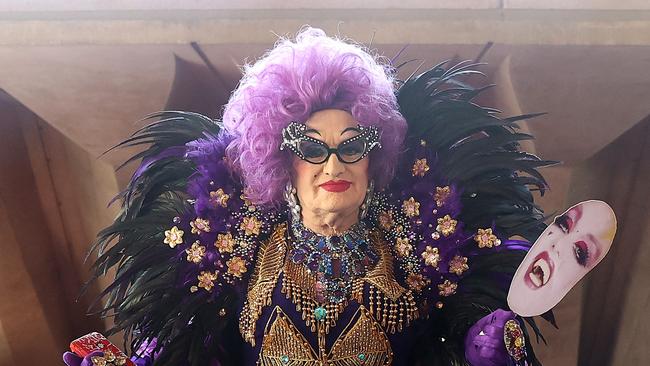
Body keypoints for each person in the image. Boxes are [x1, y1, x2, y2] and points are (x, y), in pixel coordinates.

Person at [64, 27, 555, 366]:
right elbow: (201, 350)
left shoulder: (416, 254)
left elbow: (443, 345)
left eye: (354, 145)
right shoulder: (239, 253)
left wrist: (482, 345)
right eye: (311, 147)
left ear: (374, 155)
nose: (334, 164)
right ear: (282, 159)